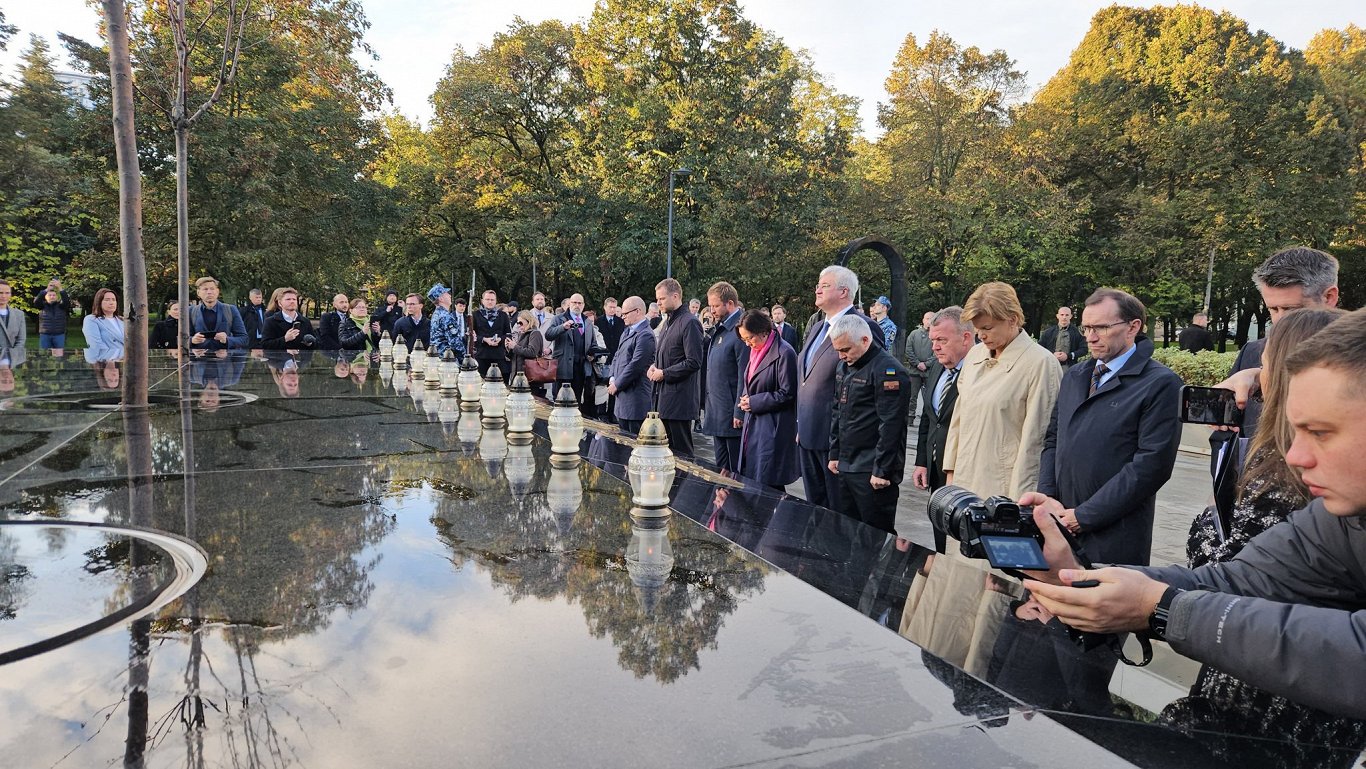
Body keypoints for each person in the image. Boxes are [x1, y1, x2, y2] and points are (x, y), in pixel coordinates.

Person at [1021, 308, 1366, 721]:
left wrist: (1164, 609)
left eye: (1322, 433)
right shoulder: (1338, 518)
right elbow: (1236, 579)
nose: (1295, 455)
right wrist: (1079, 573)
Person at [1037, 288, 1182, 564]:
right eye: (1087, 327)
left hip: (1115, 538)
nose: (1090, 337)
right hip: (1058, 525)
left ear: (1133, 327)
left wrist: (1084, 516)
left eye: (1101, 328)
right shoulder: (1077, 376)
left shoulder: (1161, 383)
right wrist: (1047, 498)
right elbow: (1053, 440)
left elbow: (1151, 467)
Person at [944, 281, 1061, 500]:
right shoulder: (975, 355)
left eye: (987, 328)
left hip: (1003, 490)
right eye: (978, 329)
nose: (981, 336)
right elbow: (958, 420)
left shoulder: (1041, 363)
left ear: (1013, 319)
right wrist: (950, 472)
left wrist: (1021, 500)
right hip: (963, 482)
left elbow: (1036, 441)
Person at [796, 265, 886, 511]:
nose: (817, 290)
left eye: (824, 285)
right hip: (809, 435)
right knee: (816, 509)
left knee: (838, 514)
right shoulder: (817, 327)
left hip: (838, 441)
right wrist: (800, 423)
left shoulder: (862, 327)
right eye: (818, 285)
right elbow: (806, 378)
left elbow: (868, 387)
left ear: (844, 291)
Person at [1227, 246, 1340, 439]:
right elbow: (1229, 435)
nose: (1280, 321)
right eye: (1273, 309)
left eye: (1290, 309)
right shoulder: (1252, 352)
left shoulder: (1356, 358)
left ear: (1329, 297)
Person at [826, 314, 912, 534]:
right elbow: (838, 411)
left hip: (871, 469)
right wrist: (834, 453)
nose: (841, 355)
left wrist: (882, 470)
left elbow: (891, 426)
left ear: (865, 340)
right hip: (847, 464)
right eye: (838, 350)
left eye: (846, 350)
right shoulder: (844, 367)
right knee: (848, 532)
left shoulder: (888, 371)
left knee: (875, 535)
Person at [912, 306, 974, 552]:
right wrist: (921, 461)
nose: (935, 347)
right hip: (937, 473)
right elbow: (929, 418)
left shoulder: (979, 373)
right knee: (941, 537)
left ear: (966, 338)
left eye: (941, 340)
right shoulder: (938, 367)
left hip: (964, 472)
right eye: (933, 340)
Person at [735, 309, 799, 491]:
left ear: (764, 332)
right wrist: (747, 399)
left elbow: (788, 393)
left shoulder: (785, 352)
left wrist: (754, 402)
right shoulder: (757, 350)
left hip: (773, 427)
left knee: (769, 484)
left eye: (750, 338)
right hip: (754, 424)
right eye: (744, 339)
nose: (747, 344)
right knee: (753, 479)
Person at [648, 278, 703, 457]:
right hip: (663, 400)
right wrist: (654, 367)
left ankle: (685, 486)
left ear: (675, 296)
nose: (658, 303)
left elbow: (694, 361)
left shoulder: (690, 322)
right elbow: (668, 355)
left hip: (680, 404)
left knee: (682, 457)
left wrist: (664, 373)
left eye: (662, 299)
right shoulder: (667, 323)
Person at [702, 281, 747, 472]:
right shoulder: (720, 329)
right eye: (710, 305)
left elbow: (744, 374)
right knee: (722, 470)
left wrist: (739, 411)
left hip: (731, 415)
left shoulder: (741, 330)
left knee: (735, 471)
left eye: (715, 305)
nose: (712, 310)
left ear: (730, 304)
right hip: (717, 411)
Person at [608, 296, 656, 436]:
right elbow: (617, 356)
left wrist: (617, 384)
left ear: (638, 311)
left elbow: (636, 365)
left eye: (625, 313)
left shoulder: (645, 335)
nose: (622, 317)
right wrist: (612, 377)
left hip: (635, 401)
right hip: (623, 399)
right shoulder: (627, 331)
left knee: (635, 443)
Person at [545, 293, 595, 412]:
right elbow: (548, 335)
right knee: (560, 400)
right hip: (563, 366)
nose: (577, 305)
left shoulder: (587, 321)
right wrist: (563, 327)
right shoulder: (559, 318)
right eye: (574, 303)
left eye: (580, 303)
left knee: (576, 401)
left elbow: (593, 343)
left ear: (583, 305)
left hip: (580, 367)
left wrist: (594, 353)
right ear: (569, 304)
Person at [188, 277, 248, 351]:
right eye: (205, 289)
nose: (209, 292)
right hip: (200, 360)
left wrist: (227, 340)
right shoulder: (191, 311)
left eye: (212, 289)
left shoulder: (230, 310)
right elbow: (181, 339)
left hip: (224, 360)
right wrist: (192, 340)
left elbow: (244, 339)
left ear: (217, 291)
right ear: (198, 293)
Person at [472, 289, 511, 377]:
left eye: (492, 300)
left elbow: (508, 334)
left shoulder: (503, 316)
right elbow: (471, 335)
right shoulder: (475, 315)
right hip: (481, 355)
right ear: (482, 301)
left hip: (499, 355)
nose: (490, 302)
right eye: (487, 299)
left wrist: (500, 339)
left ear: (496, 301)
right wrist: (484, 339)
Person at [83, 288, 126, 361]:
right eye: (107, 300)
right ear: (99, 302)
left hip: (126, 362)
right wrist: (116, 359)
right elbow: (96, 345)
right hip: (106, 361)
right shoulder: (91, 319)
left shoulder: (122, 320)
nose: (111, 302)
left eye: (113, 299)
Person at [904, 311, 935, 414]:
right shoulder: (914, 334)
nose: (929, 321)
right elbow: (908, 350)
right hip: (914, 372)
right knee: (911, 397)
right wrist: (917, 363)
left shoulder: (935, 335)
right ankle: (910, 418)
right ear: (923, 320)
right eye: (927, 319)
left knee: (929, 398)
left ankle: (926, 420)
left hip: (929, 372)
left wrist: (926, 364)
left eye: (931, 319)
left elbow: (937, 353)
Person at [427, 283, 466, 359]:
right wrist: (465, 358)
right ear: (441, 298)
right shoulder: (446, 316)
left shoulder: (436, 314)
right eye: (446, 293)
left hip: (437, 357)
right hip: (448, 359)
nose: (449, 295)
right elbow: (455, 342)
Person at [505, 310, 545, 380]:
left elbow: (532, 352)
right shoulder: (521, 334)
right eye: (518, 323)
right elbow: (514, 356)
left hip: (530, 375)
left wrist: (515, 346)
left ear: (528, 321)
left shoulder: (535, 333)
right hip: (517, 374)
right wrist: (509, 348)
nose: (519, 325)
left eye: (521, 323)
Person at [35, 280, 71, 351]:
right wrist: (47, 289)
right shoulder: (42, 306)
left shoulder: (62, 306)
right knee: (44, 356)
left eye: (54, 295)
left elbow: (66, 301)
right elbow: (37, 301)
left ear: (57, 297)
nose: (52, 297)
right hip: (45, 335)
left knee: (59, 357)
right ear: (45, 297)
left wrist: (60, 288)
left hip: (59, 335)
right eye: (50, 295)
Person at [0, 280, 27, 360]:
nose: (4, 296)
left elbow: (21, 339)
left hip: (12, 360)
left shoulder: (19, 314)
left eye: (7, 293)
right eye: (0, 293)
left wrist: (13, 356)